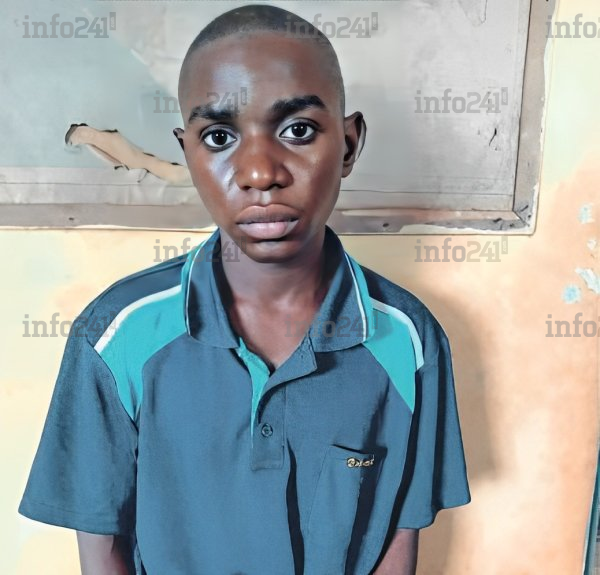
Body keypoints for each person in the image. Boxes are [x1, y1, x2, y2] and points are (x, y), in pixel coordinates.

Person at [18, 5, 471, 574]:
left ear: (349, 145)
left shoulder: (408, 338)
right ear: (188, 153)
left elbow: (399, 537)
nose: (260, 173)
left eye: (297, 130)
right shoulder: (116, 334)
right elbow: (103, 547)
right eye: (219, 136)